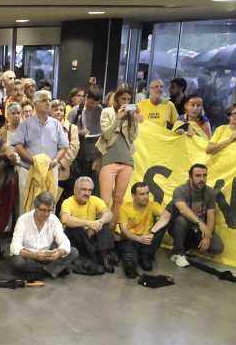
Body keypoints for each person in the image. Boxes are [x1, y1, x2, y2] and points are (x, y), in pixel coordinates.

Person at [168, 163, 224, 268]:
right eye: (198, 176)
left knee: (217, 247)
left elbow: (211, 215)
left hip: (197, 229)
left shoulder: (210, 192)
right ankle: (178, 253)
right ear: (190, 177)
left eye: (204, 175)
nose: (202, 179)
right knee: (181, 220)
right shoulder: (180, 190)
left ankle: (187, 247)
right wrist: (200, 223)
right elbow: (183, 210)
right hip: (181, 226)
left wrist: (207, 236)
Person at [9, 192, 77, 279]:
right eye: (43, 210)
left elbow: (64, 241)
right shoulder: (23, 219)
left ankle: (39, 274)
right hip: (30, 256)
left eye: (49, 210)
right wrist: (35, 255)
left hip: (48, 256)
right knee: (18, 261)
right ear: (35, 207)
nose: (46, 214)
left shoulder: (53, 219)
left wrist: (59, 253)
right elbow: (14, 246)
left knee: (73, 251)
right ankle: (53, 270)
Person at [113, 182, 170, 279]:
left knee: (163, 224)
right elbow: (124, 230)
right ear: (133, 196)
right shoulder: (125, 207)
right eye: (142, 194)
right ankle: (132, 259)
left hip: (147, 240)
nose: (146, 197)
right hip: (131, 239)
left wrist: (152, 232)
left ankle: (146, 256)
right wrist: (139, 239)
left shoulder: (153, 205)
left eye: (147, 193)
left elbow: (167, 216)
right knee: (130, 267)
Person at [96, 89, 138, 220]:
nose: (126, 102)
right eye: (123, 99)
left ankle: (112, 227)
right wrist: (118, 118)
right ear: (117, 99)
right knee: (104, 200)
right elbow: (106, 135)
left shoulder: (130, 115)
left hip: (126, 161)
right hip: (109, 159)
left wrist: (134, 120)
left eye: (129, 100)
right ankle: (101, 226)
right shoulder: (107, 112)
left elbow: (133, 137)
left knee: (119, 199)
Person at [59, 177, 115, 273]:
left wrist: (100, 222)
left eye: (90, 190)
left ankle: (103, 257)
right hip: (75, 240)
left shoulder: (94, 200)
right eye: (84, 189)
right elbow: (65, 219)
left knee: (105, 225)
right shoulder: (68, 202)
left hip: (90, 235)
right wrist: (90, 223)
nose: (87, 193)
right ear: (75, 190)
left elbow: (109, 214)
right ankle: (94, 257)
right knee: (75, 229)